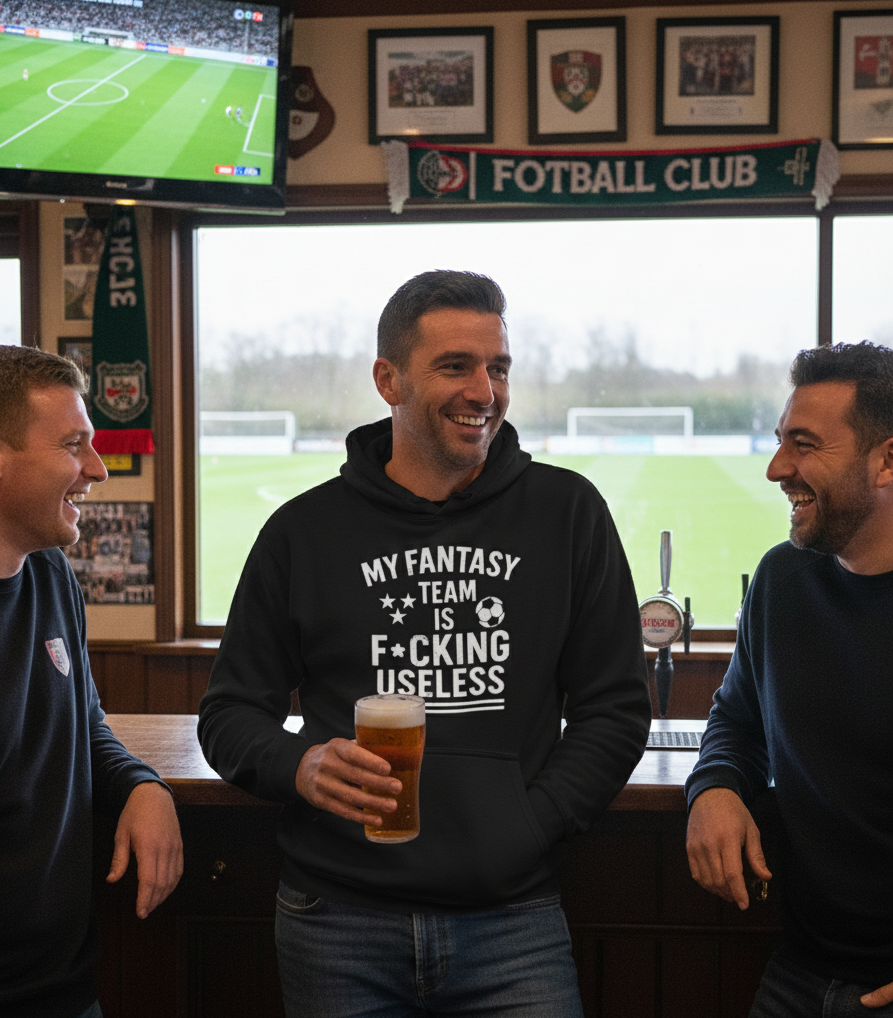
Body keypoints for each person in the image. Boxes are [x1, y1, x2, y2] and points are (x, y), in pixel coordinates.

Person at [198, 270, 651, 1017]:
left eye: (497, 367)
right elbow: (228, 714)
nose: (484, 390)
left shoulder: (567, 512)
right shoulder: (301, 532)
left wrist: (527, 825)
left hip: (513, 923)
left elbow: (614, 710)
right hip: (333, 920)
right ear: (387, 379)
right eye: (454, 366)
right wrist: (299, 765)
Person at [685, 340, 893, 1017]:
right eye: (779, 441)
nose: (776, 468)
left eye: (803, 445)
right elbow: (736, 720)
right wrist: (714, 786)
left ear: (886, 460)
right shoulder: (782, 579)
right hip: (797, 974)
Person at [0, 345, 183, 1018]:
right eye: (73, 445)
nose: (97, 470)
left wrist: (140, 785)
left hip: (65, 989)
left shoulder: (50, 575)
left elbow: (82, 725)